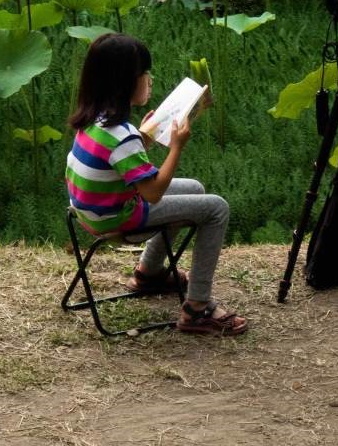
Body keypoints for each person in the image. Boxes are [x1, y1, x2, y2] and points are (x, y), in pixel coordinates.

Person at [65, 33, 247, 336]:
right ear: (125, 82)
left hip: (91, 210)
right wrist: (176, 146)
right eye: (144, 74)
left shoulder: (95, 120)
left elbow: (116, 165)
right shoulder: (123, 136)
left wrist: (144, 138)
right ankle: (197, 309)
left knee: (195, 189)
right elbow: (153, 192)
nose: (149, 79)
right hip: (116, 218)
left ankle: (148, 273)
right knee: (216, 208)